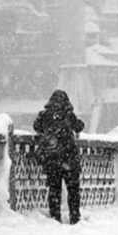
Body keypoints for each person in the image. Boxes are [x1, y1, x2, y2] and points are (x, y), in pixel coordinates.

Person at [33, 89, 85, 224]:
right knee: (73, 190)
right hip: (69, 158)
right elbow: (79, 127)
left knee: (54, 190)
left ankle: (55, 217)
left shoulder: (44, 115)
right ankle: (75, 217)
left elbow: (36, 126)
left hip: (52, 160)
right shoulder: (69, 115)